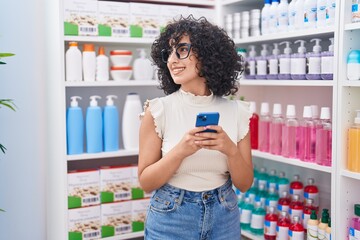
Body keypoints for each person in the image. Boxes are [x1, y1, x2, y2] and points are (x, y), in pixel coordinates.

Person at [138, 15, 254, 239]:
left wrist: (230, 149)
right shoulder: (157, 110)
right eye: (169, 53)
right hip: (171, 218)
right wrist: (181, 151)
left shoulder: (238, 112)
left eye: (181, 50)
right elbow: (146, 182)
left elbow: (245, 183)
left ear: (208, 54)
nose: (172, 60)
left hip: (224, 216)